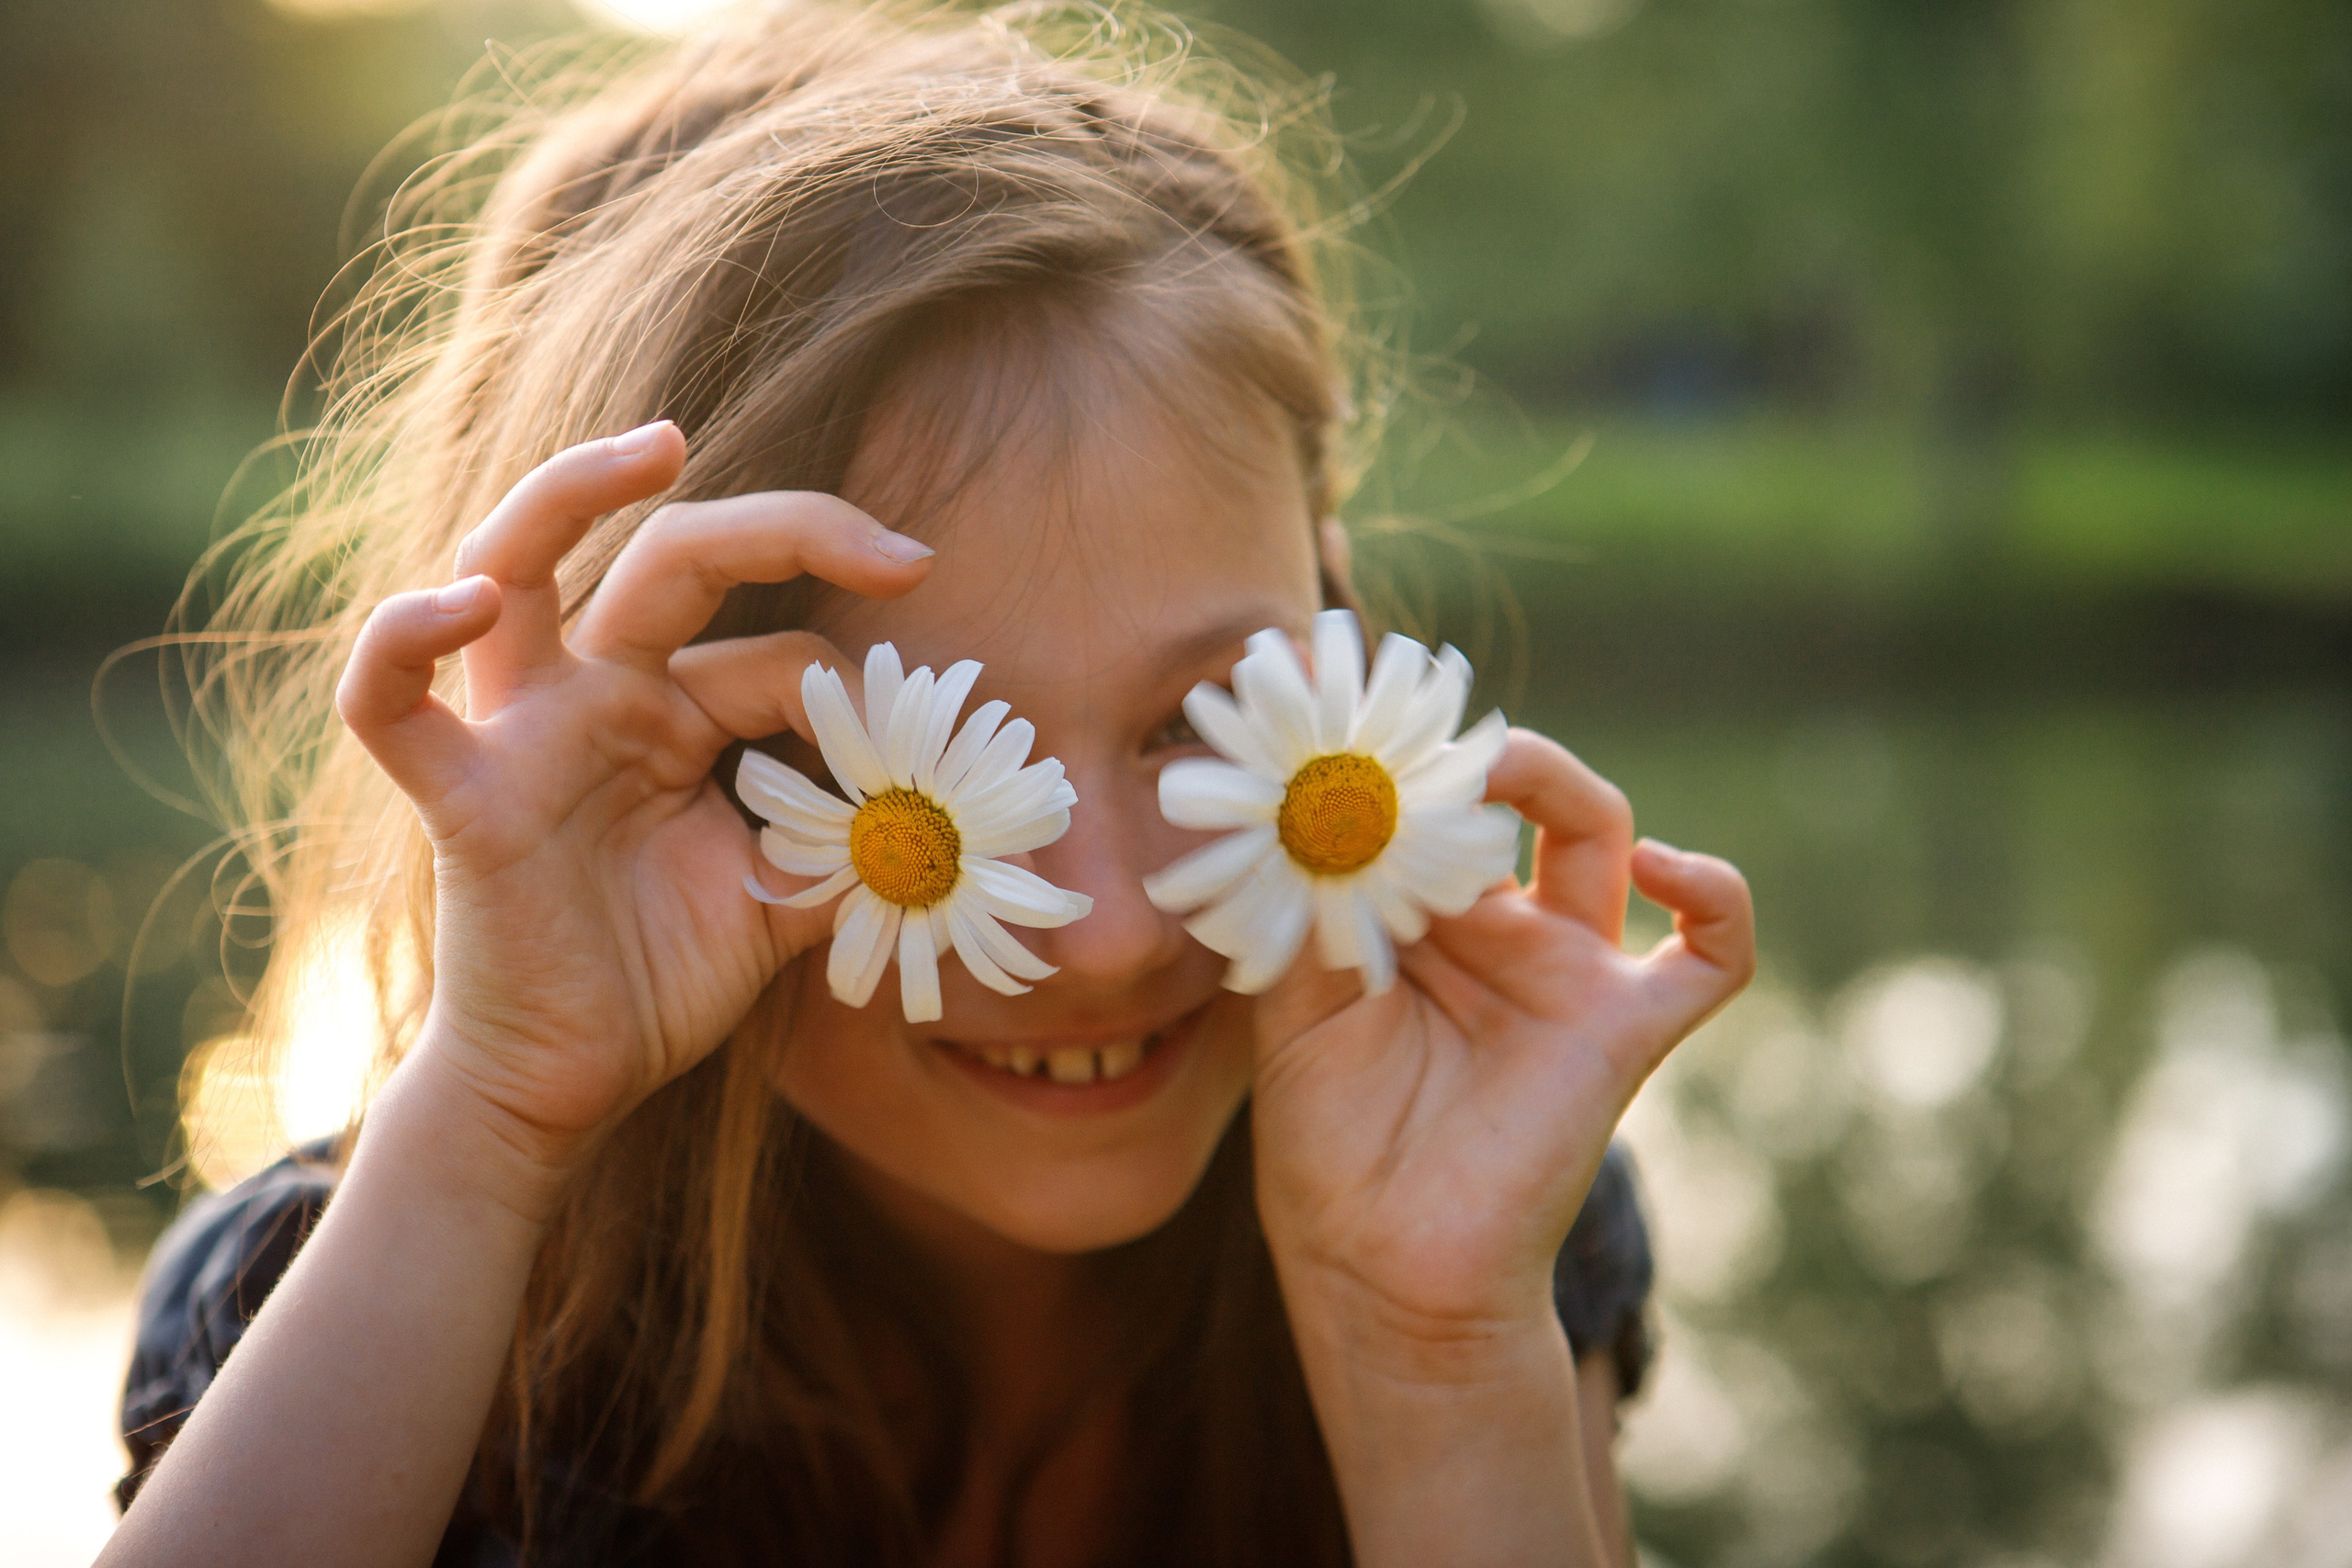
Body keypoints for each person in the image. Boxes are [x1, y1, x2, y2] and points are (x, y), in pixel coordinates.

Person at [104, 5, 1754, 1564]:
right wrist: (491, 1111)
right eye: (914, 773)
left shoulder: (1476, 1203)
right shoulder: (348, 1315)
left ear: (1338, 639)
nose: (1102, 928)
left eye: (1202, 719)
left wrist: (1436, 1355)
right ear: (632, 770)